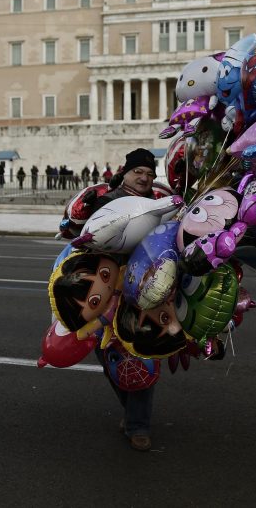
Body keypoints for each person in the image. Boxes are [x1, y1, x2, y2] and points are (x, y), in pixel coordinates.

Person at [93, 148, 161, 452]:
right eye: (138, 172)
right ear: (126, 172)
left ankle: (138, 425)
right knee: (106, 354)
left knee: (143, 351)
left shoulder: (158, 205)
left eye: (149, 174)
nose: (144, 178)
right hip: (109, 290)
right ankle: (132, 411)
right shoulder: (107, 202)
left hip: (145, 291)